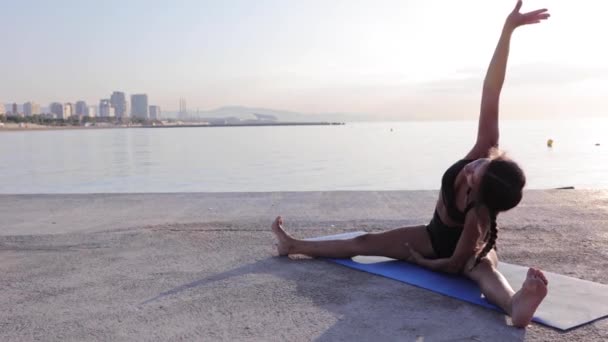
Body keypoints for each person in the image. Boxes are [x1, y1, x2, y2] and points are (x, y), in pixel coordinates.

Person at [271, 0, 550, 328]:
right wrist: (507, 31)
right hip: (432, 235)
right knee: (362, 242)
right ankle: (292, 244)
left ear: (481, 195)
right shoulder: (486, 148)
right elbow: (492, 89)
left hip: (451, 250)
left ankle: (516, 304)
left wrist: (421, 261)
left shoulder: (477, 217)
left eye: (476, 174)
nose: (472, 167)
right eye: (481, 165)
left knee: (484, 271)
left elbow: (453, 265)